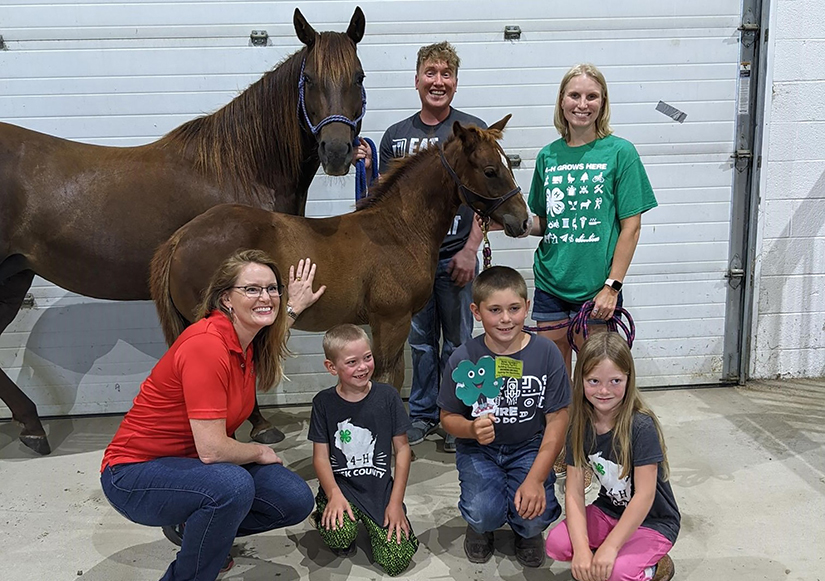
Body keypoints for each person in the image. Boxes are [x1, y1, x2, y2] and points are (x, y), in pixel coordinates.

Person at [100, 250, 326, 581]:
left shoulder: (246, 342)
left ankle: (197, 528)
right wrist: (260, 451)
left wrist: (293, 307)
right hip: (135, 474)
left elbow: (272, 333)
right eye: (251, 289)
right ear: (226, 300)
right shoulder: (207, 345)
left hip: (192, 469)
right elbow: (213, 450)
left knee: (293, 499)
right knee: (231, 485)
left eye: (272, 288)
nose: (266, 297)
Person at [354, 41, 486, 452]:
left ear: (456, 83)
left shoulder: (471, 132)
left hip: (455, 256)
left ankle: (456, 416)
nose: (438, 81)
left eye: (446, 74)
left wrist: (470, 250)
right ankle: (424, 412)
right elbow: (384, 203)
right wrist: (371, 170)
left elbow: (486, 195)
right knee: (419, 342)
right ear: (416, 81)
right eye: (431, 73)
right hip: (408, 261)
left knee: (460, 341)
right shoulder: (397, 135)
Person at [523, 63, 658, 373]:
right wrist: (510, 224)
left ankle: (589, 425)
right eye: (574, 95)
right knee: (554, 377)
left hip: (597, 289)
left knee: (595, 375)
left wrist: (612, 287)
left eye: (591, 96)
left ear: (603, 103)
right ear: (561, 101)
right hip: (550, 283)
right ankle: (561, 424)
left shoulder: (620, 152)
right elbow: (547, 221)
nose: (582, 105)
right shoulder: (548, 156)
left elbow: (631, 228)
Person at [437, 266, 570, 568]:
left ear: (528, 307)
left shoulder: (547, 354)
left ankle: (526, 532)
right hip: (479, 451)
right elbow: (447, 417)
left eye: (514, 308)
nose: (506, 319)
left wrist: (536, 478)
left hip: (529, 446)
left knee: (534, 513)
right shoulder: (463, 357)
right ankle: (481, 525)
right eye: (494, 310)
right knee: (485, 511)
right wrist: (470, 428)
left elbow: (558, 417)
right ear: (476, 311)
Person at [545, 332, 679, 581]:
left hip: (653, 521)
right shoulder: (580, 425)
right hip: (610, 511)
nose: (604, 390)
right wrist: (583, 549)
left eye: (615, 380)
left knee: (616, 573)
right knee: (557, 544)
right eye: (593, 381)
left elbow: (645, 496)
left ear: (629, 379)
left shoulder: (641, 426)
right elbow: (574, 492)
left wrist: (610, 547)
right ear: (580, 380)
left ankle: (652, 567)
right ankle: (620, 553)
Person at [308, 324, 419, 576]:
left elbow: (402, 451)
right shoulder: (323, 403)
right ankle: (326, 509)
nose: (363, 367)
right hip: (342, 488)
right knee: (339, 535)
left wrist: (396, 502)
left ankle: (378, 518)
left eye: (367, 357)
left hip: (378, 491)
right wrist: (333, 493)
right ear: (331, 367)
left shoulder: (388, 397)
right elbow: (320, 457)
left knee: (396, 560)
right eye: (352, 362)